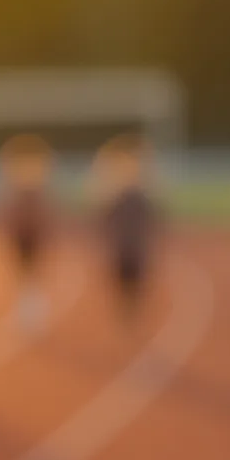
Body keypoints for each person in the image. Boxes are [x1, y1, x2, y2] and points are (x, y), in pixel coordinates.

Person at [91, 133, 161, 322]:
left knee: (136, 283)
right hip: (120, 247)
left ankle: (132, 309)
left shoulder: (141, 194)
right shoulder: (114, 196)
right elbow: (99, 206)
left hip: (136, 246)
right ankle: (126, 309)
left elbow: (155, 208)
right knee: (120, 282)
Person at [0, 133, 56, 332]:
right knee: (24, 276)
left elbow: (43, 215)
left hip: (32, 236)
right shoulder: (22, 188)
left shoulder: (33, 189)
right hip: (21, 236)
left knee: (31, 276)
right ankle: (28, 309)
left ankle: (31, 311)